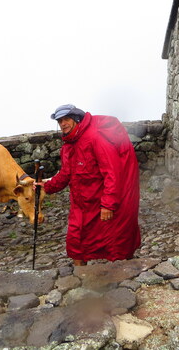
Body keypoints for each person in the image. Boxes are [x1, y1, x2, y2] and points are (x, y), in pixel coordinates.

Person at [35, 104, 141, 266]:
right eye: (60, 121)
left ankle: (123, 275)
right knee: (75, 242)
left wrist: (108, 205)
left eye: (67, 119)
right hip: (81, 205)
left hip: (100, 203)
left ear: (77, 119)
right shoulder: (69, 145)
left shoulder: (94, 138)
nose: (63, 124)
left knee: (115, 241)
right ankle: (81, 278)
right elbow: (65, 174)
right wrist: (46, 186)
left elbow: (112, 173)